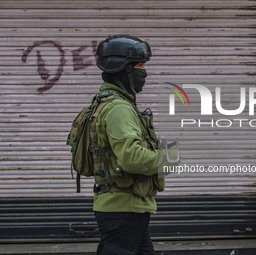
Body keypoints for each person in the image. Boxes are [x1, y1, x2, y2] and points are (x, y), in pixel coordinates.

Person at [91, 34, 164, 255]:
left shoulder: (107, 102)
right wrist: (166, 159)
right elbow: (131, 158)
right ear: (125, 69)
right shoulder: (119, 108)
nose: (145, 72)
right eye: (140, 65)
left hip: (126, 207)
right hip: (123, 208)